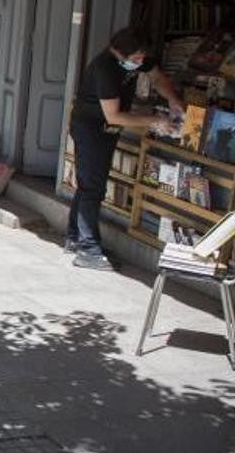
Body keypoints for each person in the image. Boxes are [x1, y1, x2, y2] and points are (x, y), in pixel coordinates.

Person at [68, 26, 184, 270]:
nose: (140, 63)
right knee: (92, 187)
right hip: (90, 128)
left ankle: (75, 237)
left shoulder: (136, 56)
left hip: (106, 131)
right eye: (135, 59)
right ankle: (88, 249)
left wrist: (172, 99)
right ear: (119, 53)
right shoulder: (105, 69)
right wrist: (154, 121)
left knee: (91, 183)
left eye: (142, 58)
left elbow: (157, 77)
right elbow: (114, 116)